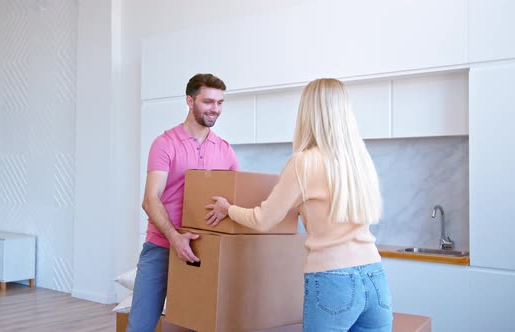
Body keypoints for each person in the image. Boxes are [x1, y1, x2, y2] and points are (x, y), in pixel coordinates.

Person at [205, 78, 393, 331]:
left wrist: (228, 209)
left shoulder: (304, 163)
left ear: (308, 113)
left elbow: (263, 220)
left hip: (333, 277)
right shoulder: (359, 160)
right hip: (374, 274)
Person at [127, 73, 240, 332]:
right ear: (190, 101)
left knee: (195, 324)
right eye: (208, 102)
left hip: (204, 249)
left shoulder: (225, 150)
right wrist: (175, 237)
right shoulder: (165, 144)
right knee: (140, 326)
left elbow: (236, 198)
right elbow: (150, 199)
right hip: (161, 247)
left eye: (220, 103)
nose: (215, 109)